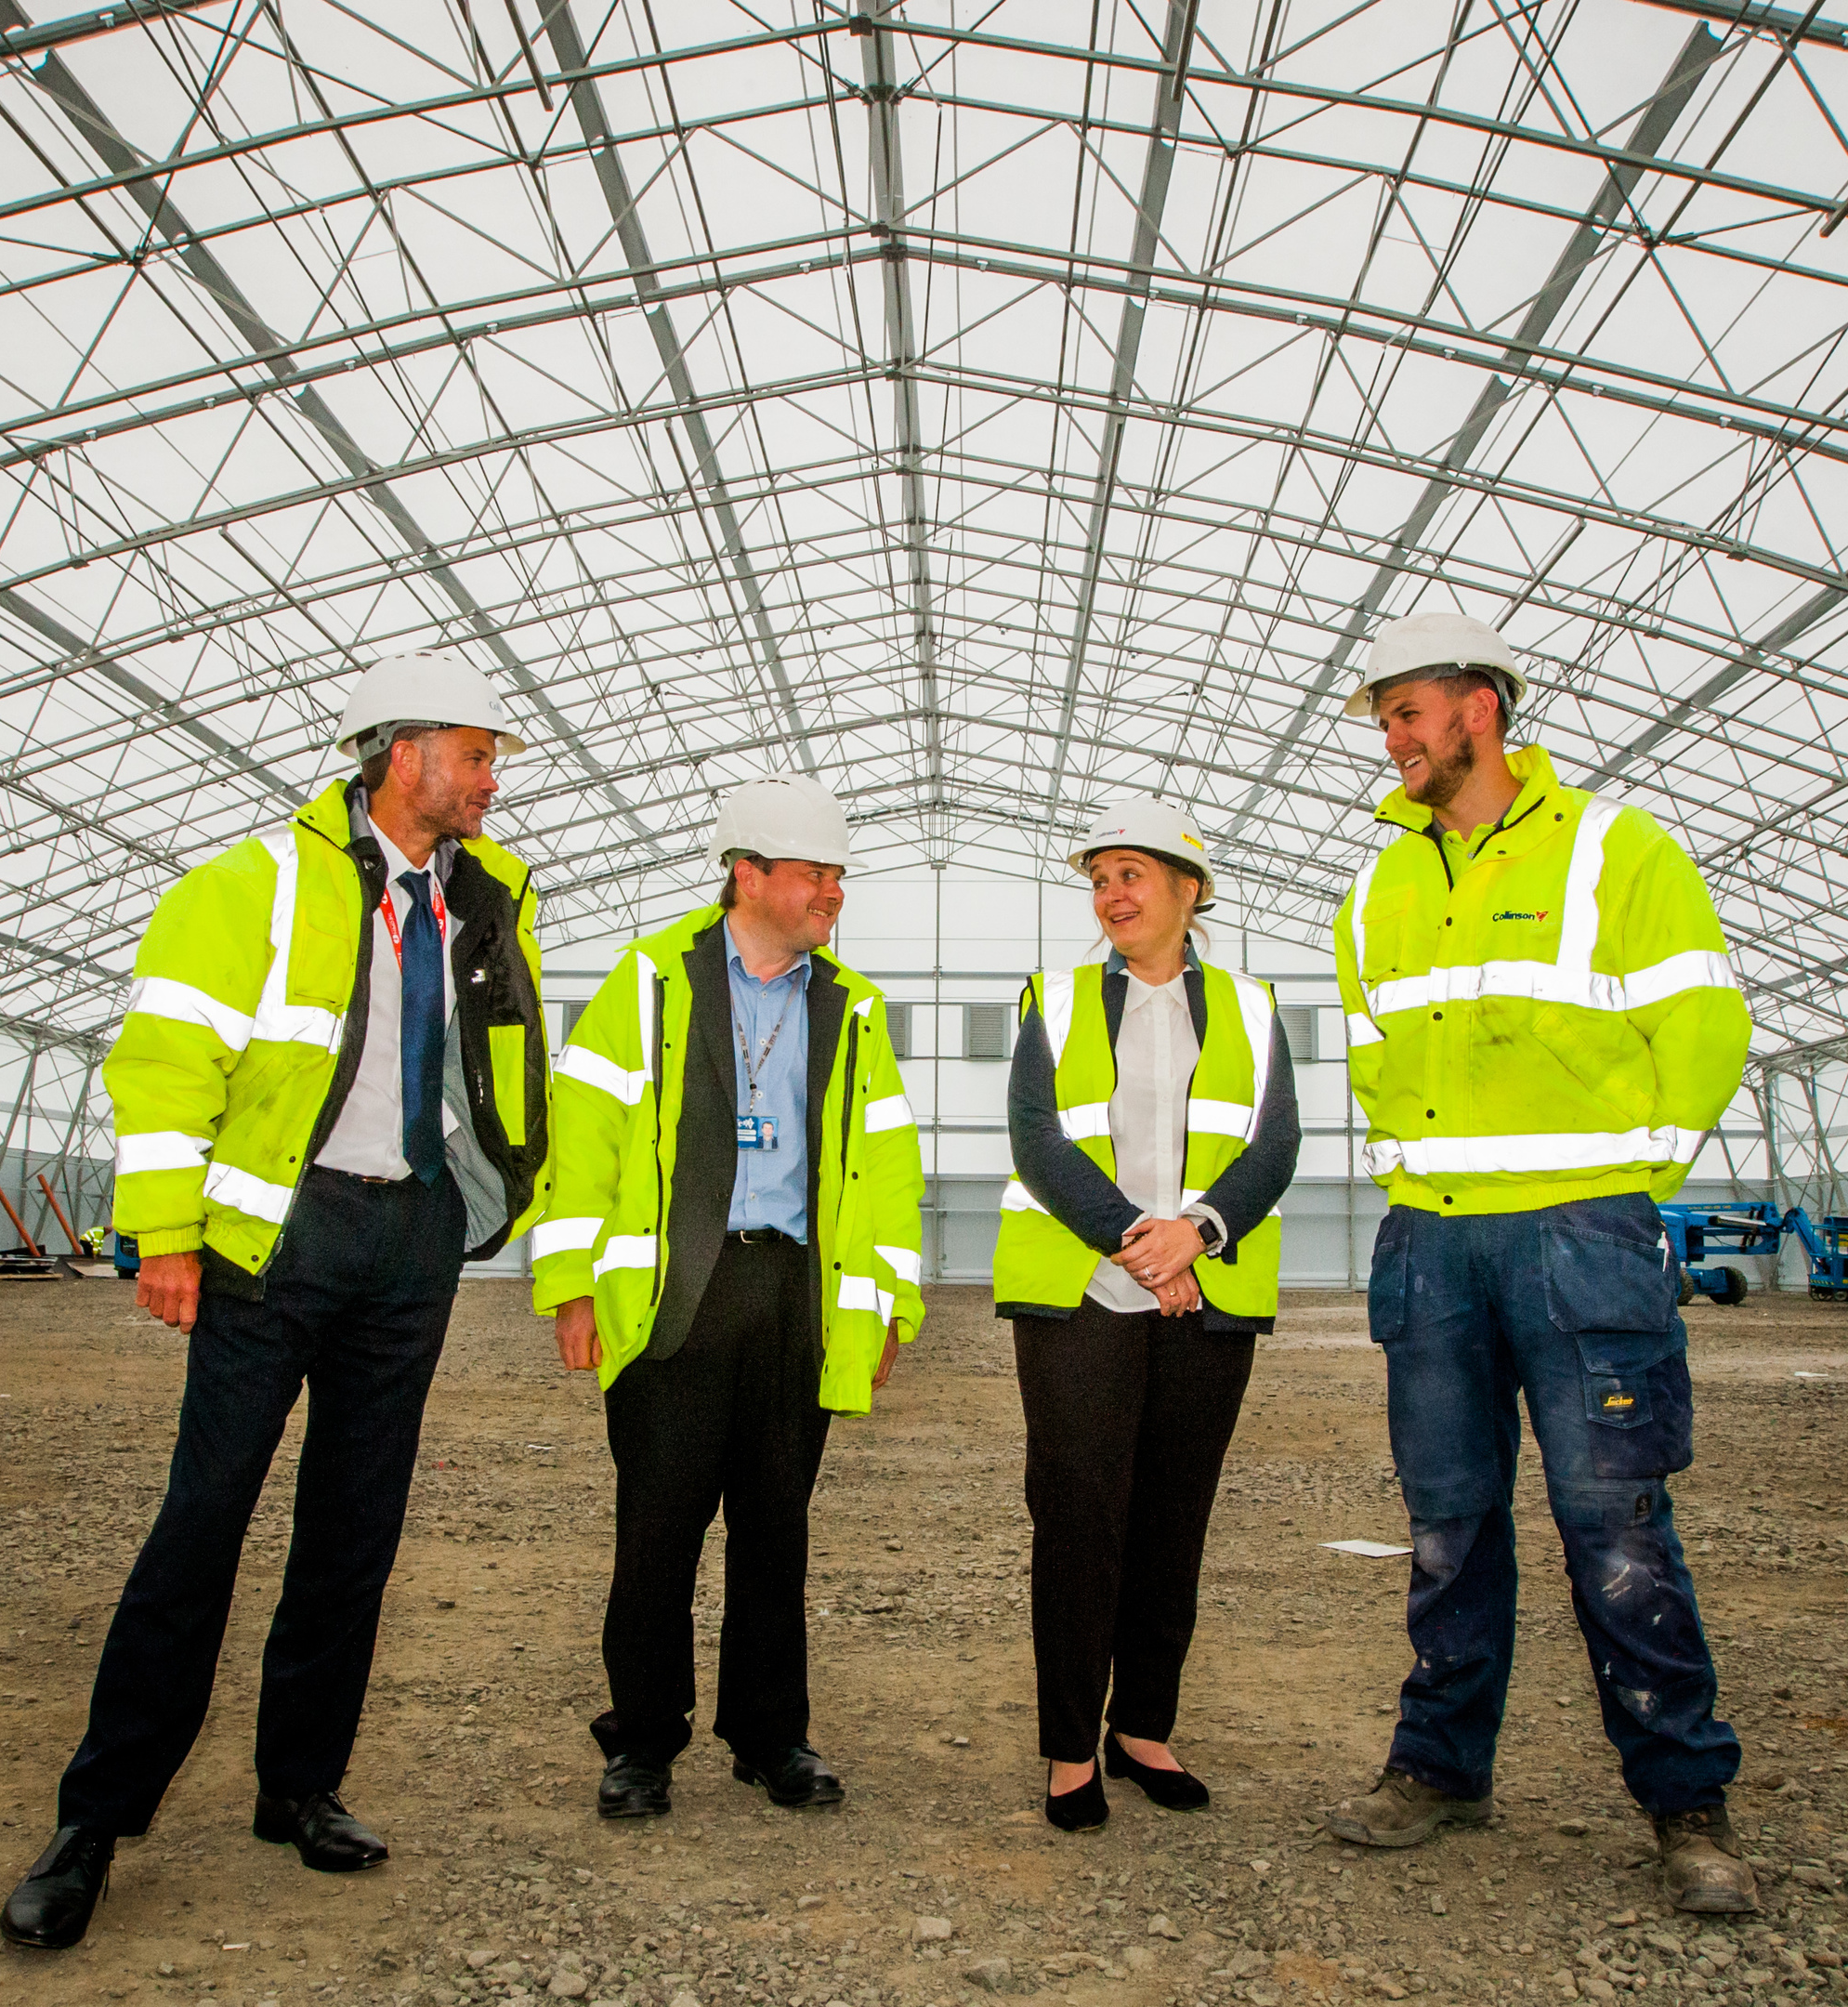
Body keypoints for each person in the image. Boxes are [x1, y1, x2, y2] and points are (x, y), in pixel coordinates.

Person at [0, 653, 551, 1950]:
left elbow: (504, 1055)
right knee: (202, 1523)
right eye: (474, 754)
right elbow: (162, 1060)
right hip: (275, 1240)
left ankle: (298, 1788)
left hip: (412, 1237)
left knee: (353, 1534)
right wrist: (166, 1235)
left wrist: (503, 1189)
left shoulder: (490, 898)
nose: (489, 778)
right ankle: (95, 1823)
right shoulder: (250, 883)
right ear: (402, 753)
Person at [1317, 610, 1757, 1914]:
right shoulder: (1377, 885)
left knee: (1613, 1527)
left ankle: (1686, 1803)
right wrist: (1418, 1170)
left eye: (1406, 713)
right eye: (1387, 718)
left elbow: (1704, 1017)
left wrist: (1629, 1173)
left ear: (1479, 711)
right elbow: (1373, 1049)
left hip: (1581, 1235)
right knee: (1448, 1526)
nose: (1391, 739)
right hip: (1433, 1241)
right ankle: (1440, 1772)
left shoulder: (1618, 849)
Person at [531, 774, 924, 1821]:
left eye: (839, 874)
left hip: (794, 1291)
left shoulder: (851, 1005)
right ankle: (643, 1744)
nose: (833, 892)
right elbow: (588, 1137)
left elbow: (885, 1173)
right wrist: (570, 1283)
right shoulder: (653, 980)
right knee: (656, 1533)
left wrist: (886, 1305)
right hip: (678, 1295)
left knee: (774, 1531)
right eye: (813, 873)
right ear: (747, 876)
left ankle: (769, 1737)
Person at [995, 798, 1298, 1832]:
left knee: (1173, 1522)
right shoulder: (1057, 995)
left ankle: (1143, 1728)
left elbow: (1274, 1147)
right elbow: (1038, 1140)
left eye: (1131, 874)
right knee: (1079, 1521)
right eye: (1099, 879)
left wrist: (1198, 1234)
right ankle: (1069, 1745)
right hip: (1083, 1297)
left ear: (1187, 889)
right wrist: (1140, 1237)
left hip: (1201, 1296)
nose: (1111, 895)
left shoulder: (1255, 1010)